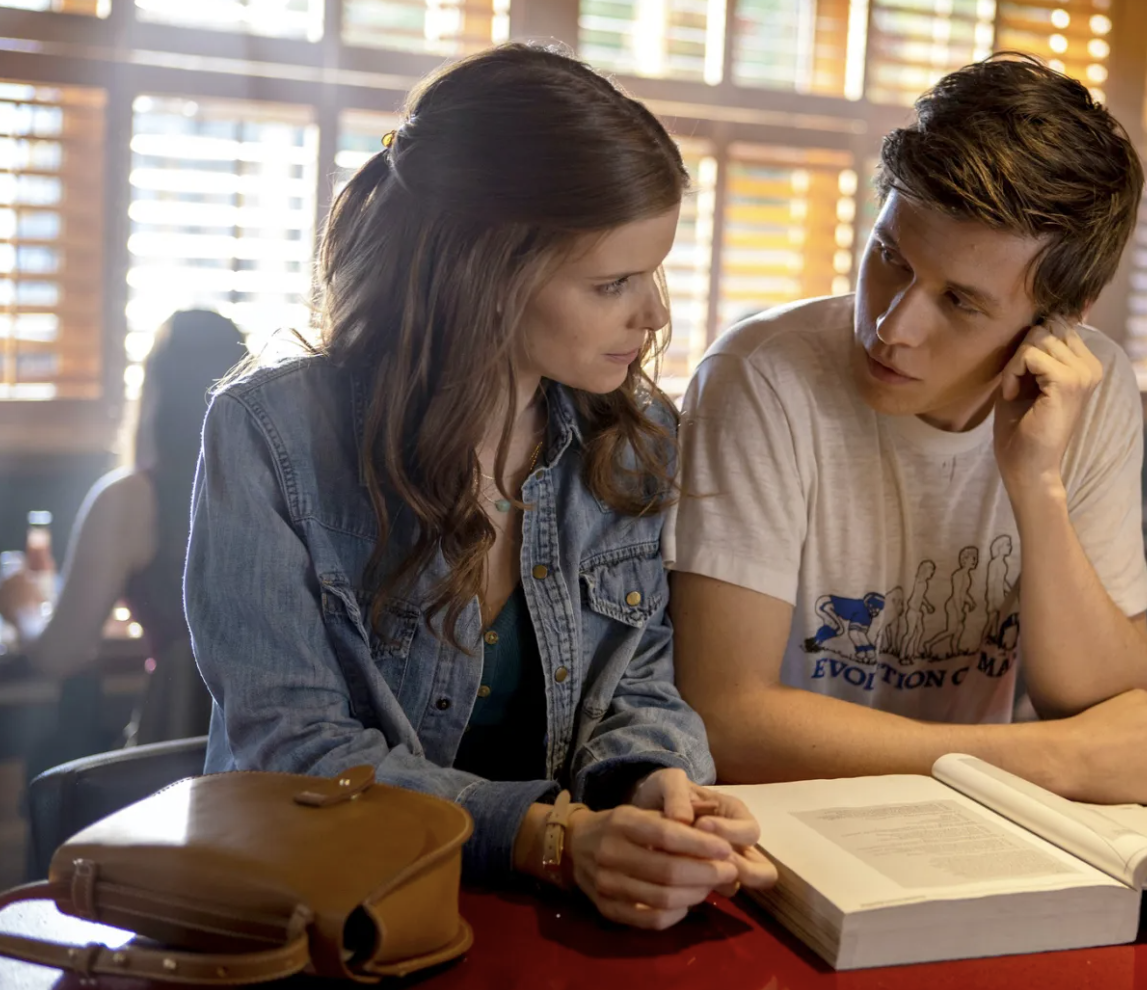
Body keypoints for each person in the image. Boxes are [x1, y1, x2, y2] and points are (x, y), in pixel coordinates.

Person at [184, 45, 774, 931]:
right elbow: (292, 752)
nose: (654, 314)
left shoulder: (636, 436)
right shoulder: (270, 433)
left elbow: (642, 681)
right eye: (612, 283)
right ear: (483, 273)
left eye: (652, 273)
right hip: (324, 916)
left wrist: (653, 784)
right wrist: (548, 838)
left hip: (546, 920)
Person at [666, 55, 1147, 807]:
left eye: (961, 302)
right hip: (780, 821)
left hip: (967, 826)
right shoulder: (761, 376)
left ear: (1062, 320)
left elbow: (1109, 708)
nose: (892, 326)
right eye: (889, 257)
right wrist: (1046, 760)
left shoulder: (1087, 388)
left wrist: (1037, 483)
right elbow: (725, 719)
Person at [0, 309, 245, 745]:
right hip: (267, 748)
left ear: (156, 393)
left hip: (174, 753)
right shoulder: (275, 491)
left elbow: (62, 653)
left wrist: (21, 604)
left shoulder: (132, 499)